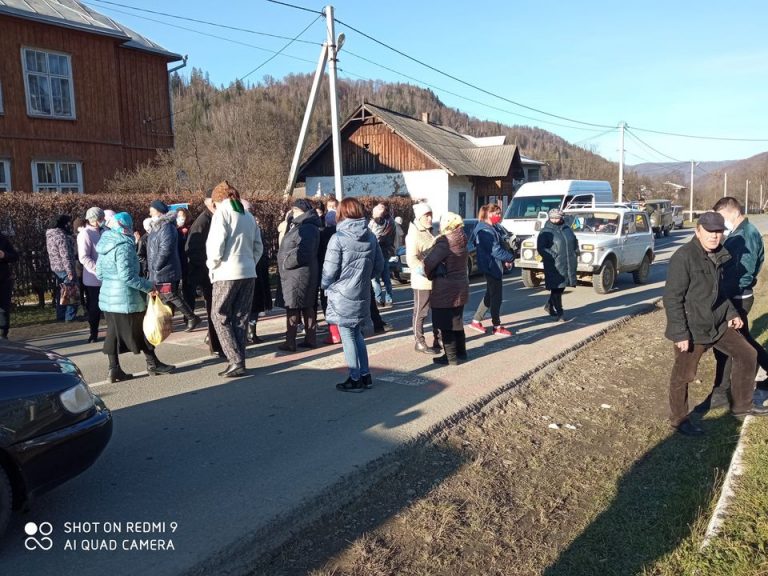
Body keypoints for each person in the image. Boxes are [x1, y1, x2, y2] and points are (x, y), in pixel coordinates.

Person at [664, 212, 768, 436]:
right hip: (693, 328)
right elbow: (672, 298)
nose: (714, 236)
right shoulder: (684, 257)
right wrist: (680, 333)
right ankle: (679, 419)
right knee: (683, 375)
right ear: (698, 231)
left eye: (719, 231)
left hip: (718, 322)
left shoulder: (721, 254)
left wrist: (731, 312)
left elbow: (720, 291)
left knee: (747, 354)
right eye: (710, 231)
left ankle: (742, 405)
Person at [96, 212, 174, 383]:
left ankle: (114, 370)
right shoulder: (123, 245)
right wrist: (148, 286)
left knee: (113, 334)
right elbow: (127, 276)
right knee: (141, 330)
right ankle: (153, 363)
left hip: (108, 297)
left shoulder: (104, 245)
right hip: (126, 297)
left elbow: (99, 273)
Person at [321, 197, 384, 392]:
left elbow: (329, 271)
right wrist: (364, 278)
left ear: (342, 213)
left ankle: (355, 377)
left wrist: (325, 286)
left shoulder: (338, 238)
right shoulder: (371, 236)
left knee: (347, 335)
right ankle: (366, 375)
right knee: (357, 334)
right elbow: (379, 266)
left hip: (342, 293)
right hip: (362, 291)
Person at [711, 197, 768, 405]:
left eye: (721, 217)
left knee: (733, 343)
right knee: (743, 340)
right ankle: (721, 391)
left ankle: (722, 393)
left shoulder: (746, 235)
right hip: (737, 295)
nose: (720, 223)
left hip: (737, 297)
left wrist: (725, 295)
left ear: (732, 212)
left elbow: (744, 271)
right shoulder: (738, 233)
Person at [206, 181, 263, 377]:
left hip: (226, 272)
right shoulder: (247, 215)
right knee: (240, 317)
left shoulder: (221, 213)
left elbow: (216, 245)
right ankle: (240, 360)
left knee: (219, 315)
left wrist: (213, 265)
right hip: (248, 271)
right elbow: (258, 246)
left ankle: (234, 359)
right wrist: (250, 262)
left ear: (217, 200)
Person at [146, 200, 201, 332]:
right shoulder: (157, 226)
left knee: (170, 295)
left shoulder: (166, 227)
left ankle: (191, 317)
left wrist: (156, 265)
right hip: (158, 270)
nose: (150, 213)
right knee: (162, 297)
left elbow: (166, 249)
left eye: (152, 210)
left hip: (165, 269)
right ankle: (166, 324)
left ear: (159, 211)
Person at [424, 213, 470, 366]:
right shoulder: (462, 238)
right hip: (461, 285)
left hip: (445, 288)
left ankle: (450, 357)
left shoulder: (445, 241)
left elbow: (430, 262)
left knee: (445, 324)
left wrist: (427, 272)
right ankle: (461, 353)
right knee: (457, 321)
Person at [277, 199, 321, 352]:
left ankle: (291, 341)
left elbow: (304, 252)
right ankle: (310, 339)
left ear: (299, 210)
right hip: (300, 273)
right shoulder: (302, 225)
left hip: (298, 273)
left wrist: (286, 262)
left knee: (293, 306)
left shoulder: (306, 227)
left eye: (293, 211)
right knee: (305, 305)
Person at [186, 189, 224, 357]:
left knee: (216, 309)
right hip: (206, 272)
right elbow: (192, 249)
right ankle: (215, 344)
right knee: (213, 309)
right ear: (210, 203)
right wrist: (208, 266)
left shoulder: (214, 218)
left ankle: (215, 339)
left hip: (211, 271)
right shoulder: (203, 221)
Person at [469, 204, 515, 335]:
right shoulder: (485, 230)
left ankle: (476, 321)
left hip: (492, 264)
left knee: (490, 294)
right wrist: (509, 258)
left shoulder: (490, 228)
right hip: (491, 266)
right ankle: (497, 326)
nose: (499, 216)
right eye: (497, 213)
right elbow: (495, 250)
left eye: (500, 213)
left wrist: (505, 258)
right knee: (496, 297)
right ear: (488, 214)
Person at [406, 202, 440, 354]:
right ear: (419, 217)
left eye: (430, 214)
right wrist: (426, 270)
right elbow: (411, 260)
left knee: (438, 310)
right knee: (421, 312)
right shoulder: (414, 234)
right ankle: (419, 342)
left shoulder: (428, 231)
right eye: (426, 215)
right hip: (422, 281)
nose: (429, 218)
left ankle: (438, 339)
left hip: (434, 279)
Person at [537, 208, 578, 322]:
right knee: (556, 288)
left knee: (562, 287)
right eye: (552, 218)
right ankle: (560, 312)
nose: (555, 220)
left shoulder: (567, 228)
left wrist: (576, 251)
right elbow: (541, 248)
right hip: (554, 264)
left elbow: (574, 240)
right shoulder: (545, 231)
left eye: (557, 217)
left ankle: (549, 305)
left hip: (568, 262)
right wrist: (553, 255)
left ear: (562, 217)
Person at [78, 207, 105, 343]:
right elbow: (84, 257)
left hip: (107, 277)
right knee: (94, 307)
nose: (102, 221)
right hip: (93, 278)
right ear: (93, 220)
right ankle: (93, 332)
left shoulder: (104, 231)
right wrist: (97, 269)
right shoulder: (85, 234)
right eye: (100, 219)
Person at [45, 214, 79, 322]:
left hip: (56, 267)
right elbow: (65, 255)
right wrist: (70, 271)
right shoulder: (61, 236)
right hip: (64, 267)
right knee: (71, 291)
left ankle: (60, 315)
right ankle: (70, 316)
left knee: (62, 292)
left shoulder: (50, 235)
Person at [319, 209, 340, 345]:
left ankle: (334, 333)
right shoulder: (342, 234)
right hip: (343, 274)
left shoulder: (323, 234)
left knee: (328, 304)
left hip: (327, 271)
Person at [369, 203, 396, 307]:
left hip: (382, 251)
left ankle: (382, 299)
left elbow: (376, 237)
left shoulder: (384, 222)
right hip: (382, 251)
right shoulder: (390, 221)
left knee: (378, 278)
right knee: (382, 277)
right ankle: (384, 299)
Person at [176, 207, 196, 312]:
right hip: (180, 262)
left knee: (189, 289)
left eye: (182, 216)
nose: (180, 218)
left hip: (190, 262)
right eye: (178, 216)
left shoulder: (192, 227)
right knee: (182, 290)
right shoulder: (175, 230)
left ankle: (189, 313)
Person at [0, 232, 19, 339]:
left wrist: (4, 255)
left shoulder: (2, 239)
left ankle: (3, 334)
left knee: (3, 308)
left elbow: (15, 256)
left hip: (3, 279)